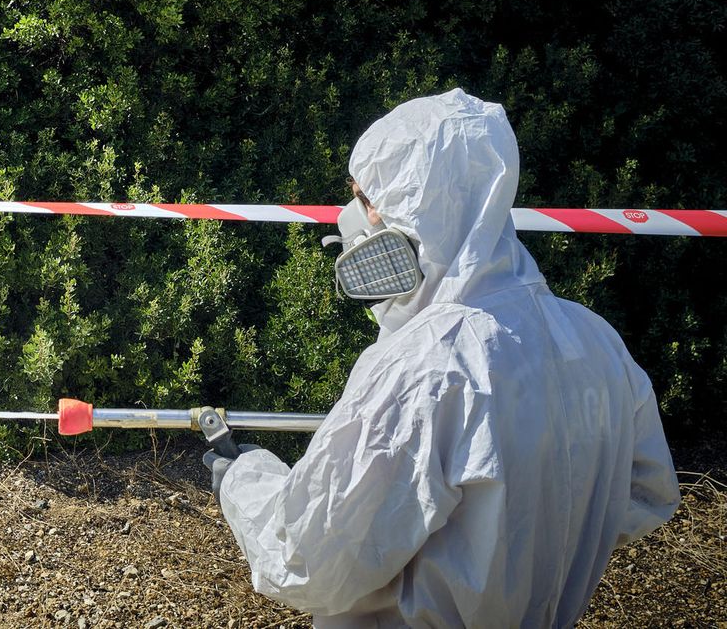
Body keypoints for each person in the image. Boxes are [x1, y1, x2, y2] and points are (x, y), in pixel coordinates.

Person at [203, 89, 680, 627]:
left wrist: (243, 479)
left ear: (416, 208)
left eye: (365, 198)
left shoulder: (428, 368)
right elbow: (647, 492)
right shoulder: (595, 341)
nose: (354, 219)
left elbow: (307, 560)